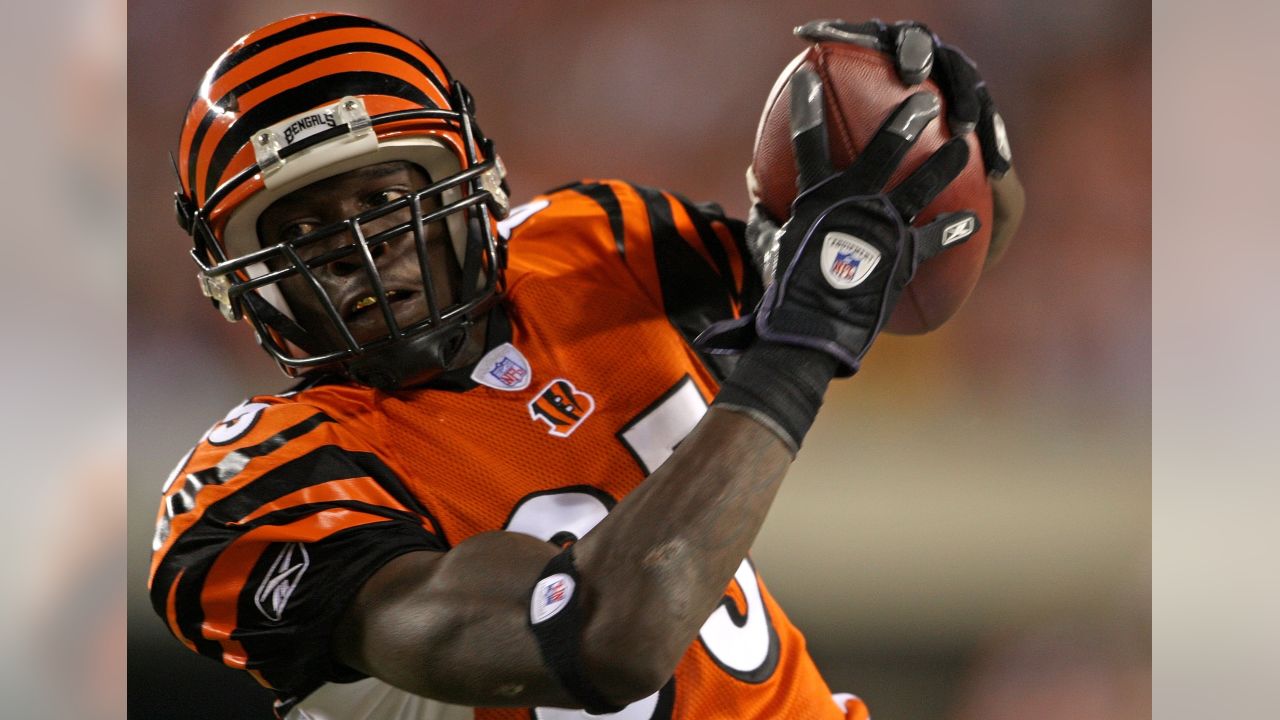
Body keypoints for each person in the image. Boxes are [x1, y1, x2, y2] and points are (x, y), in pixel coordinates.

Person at [148, 13, 1021, 720]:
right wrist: (798, 350)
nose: (362, 259)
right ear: (239, 279)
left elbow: (903, 273)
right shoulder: (260, 482)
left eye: (385, 205)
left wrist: (960, 143)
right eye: (304, 236)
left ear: (471, 182)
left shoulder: (589, 245)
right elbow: (604, 640)